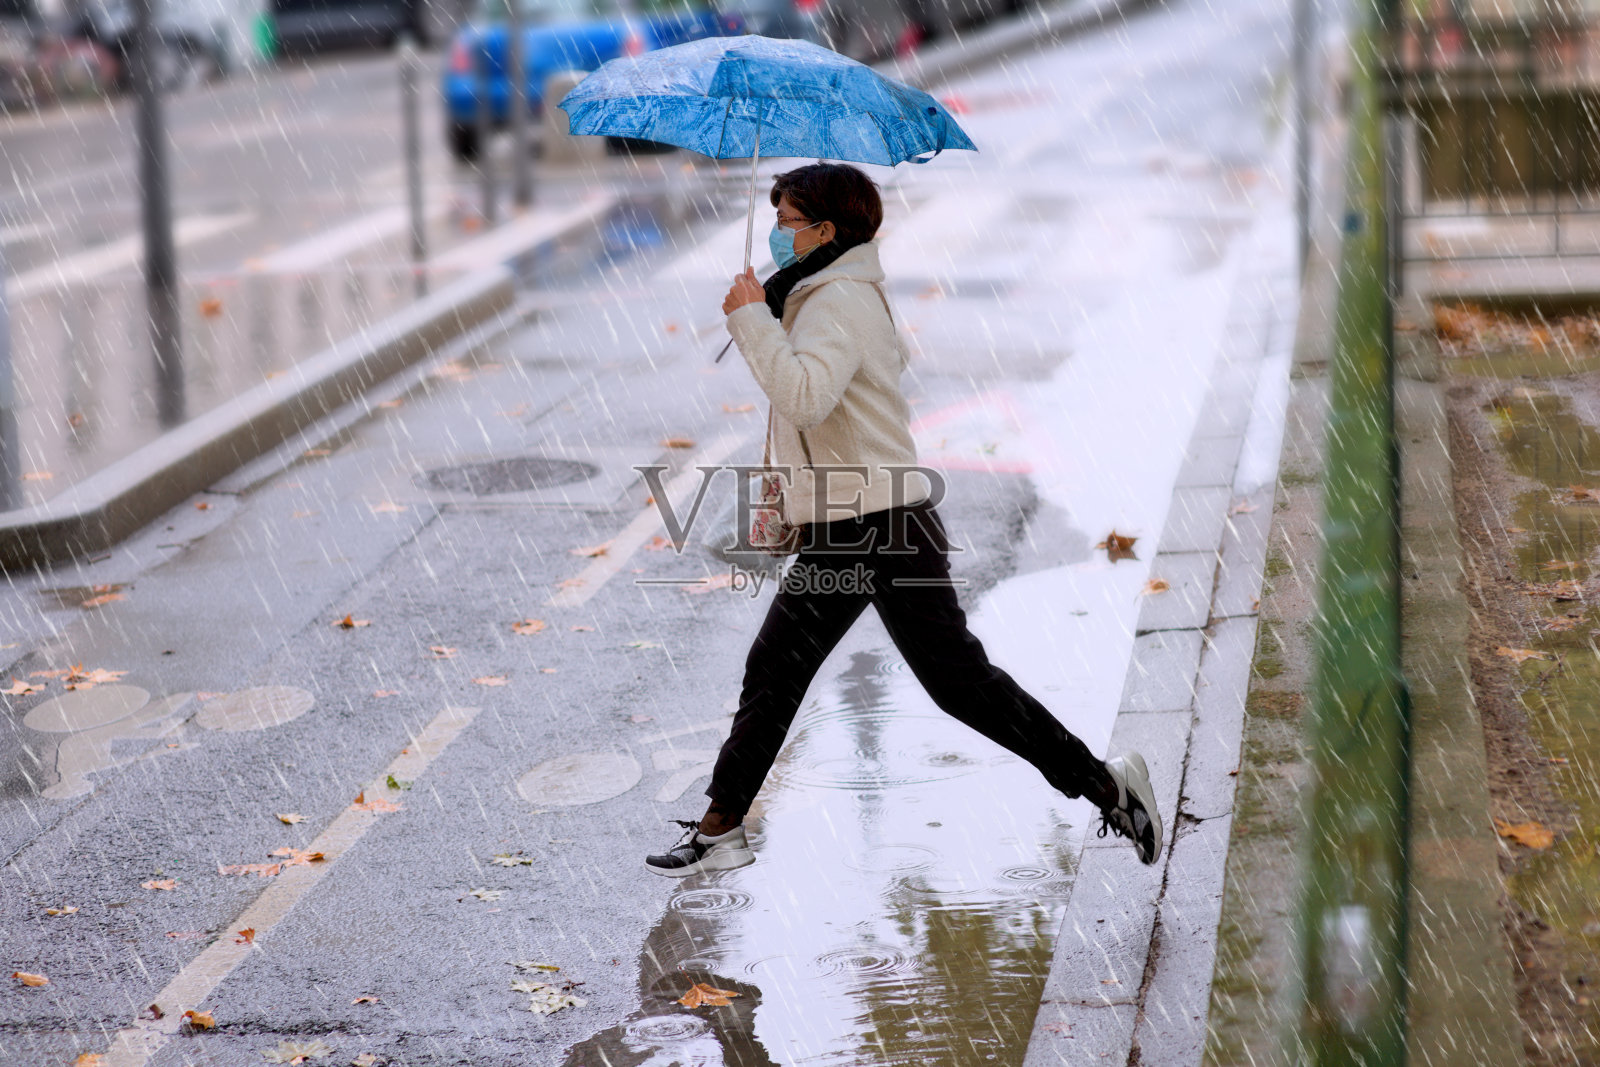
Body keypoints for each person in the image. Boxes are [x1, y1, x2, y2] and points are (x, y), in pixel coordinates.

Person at [644, 162, 1161, 877]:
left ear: (825, 231)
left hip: (881, 527)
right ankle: (720, 828)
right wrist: (769, 313)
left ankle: (1106, 783)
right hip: (857, 524)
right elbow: (858, 379)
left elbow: (805, 397)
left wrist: (753, 319)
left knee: (955, 686)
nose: (777, 234)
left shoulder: (838, 298)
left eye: (787, 221)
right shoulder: (827, 292)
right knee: (786, 669)